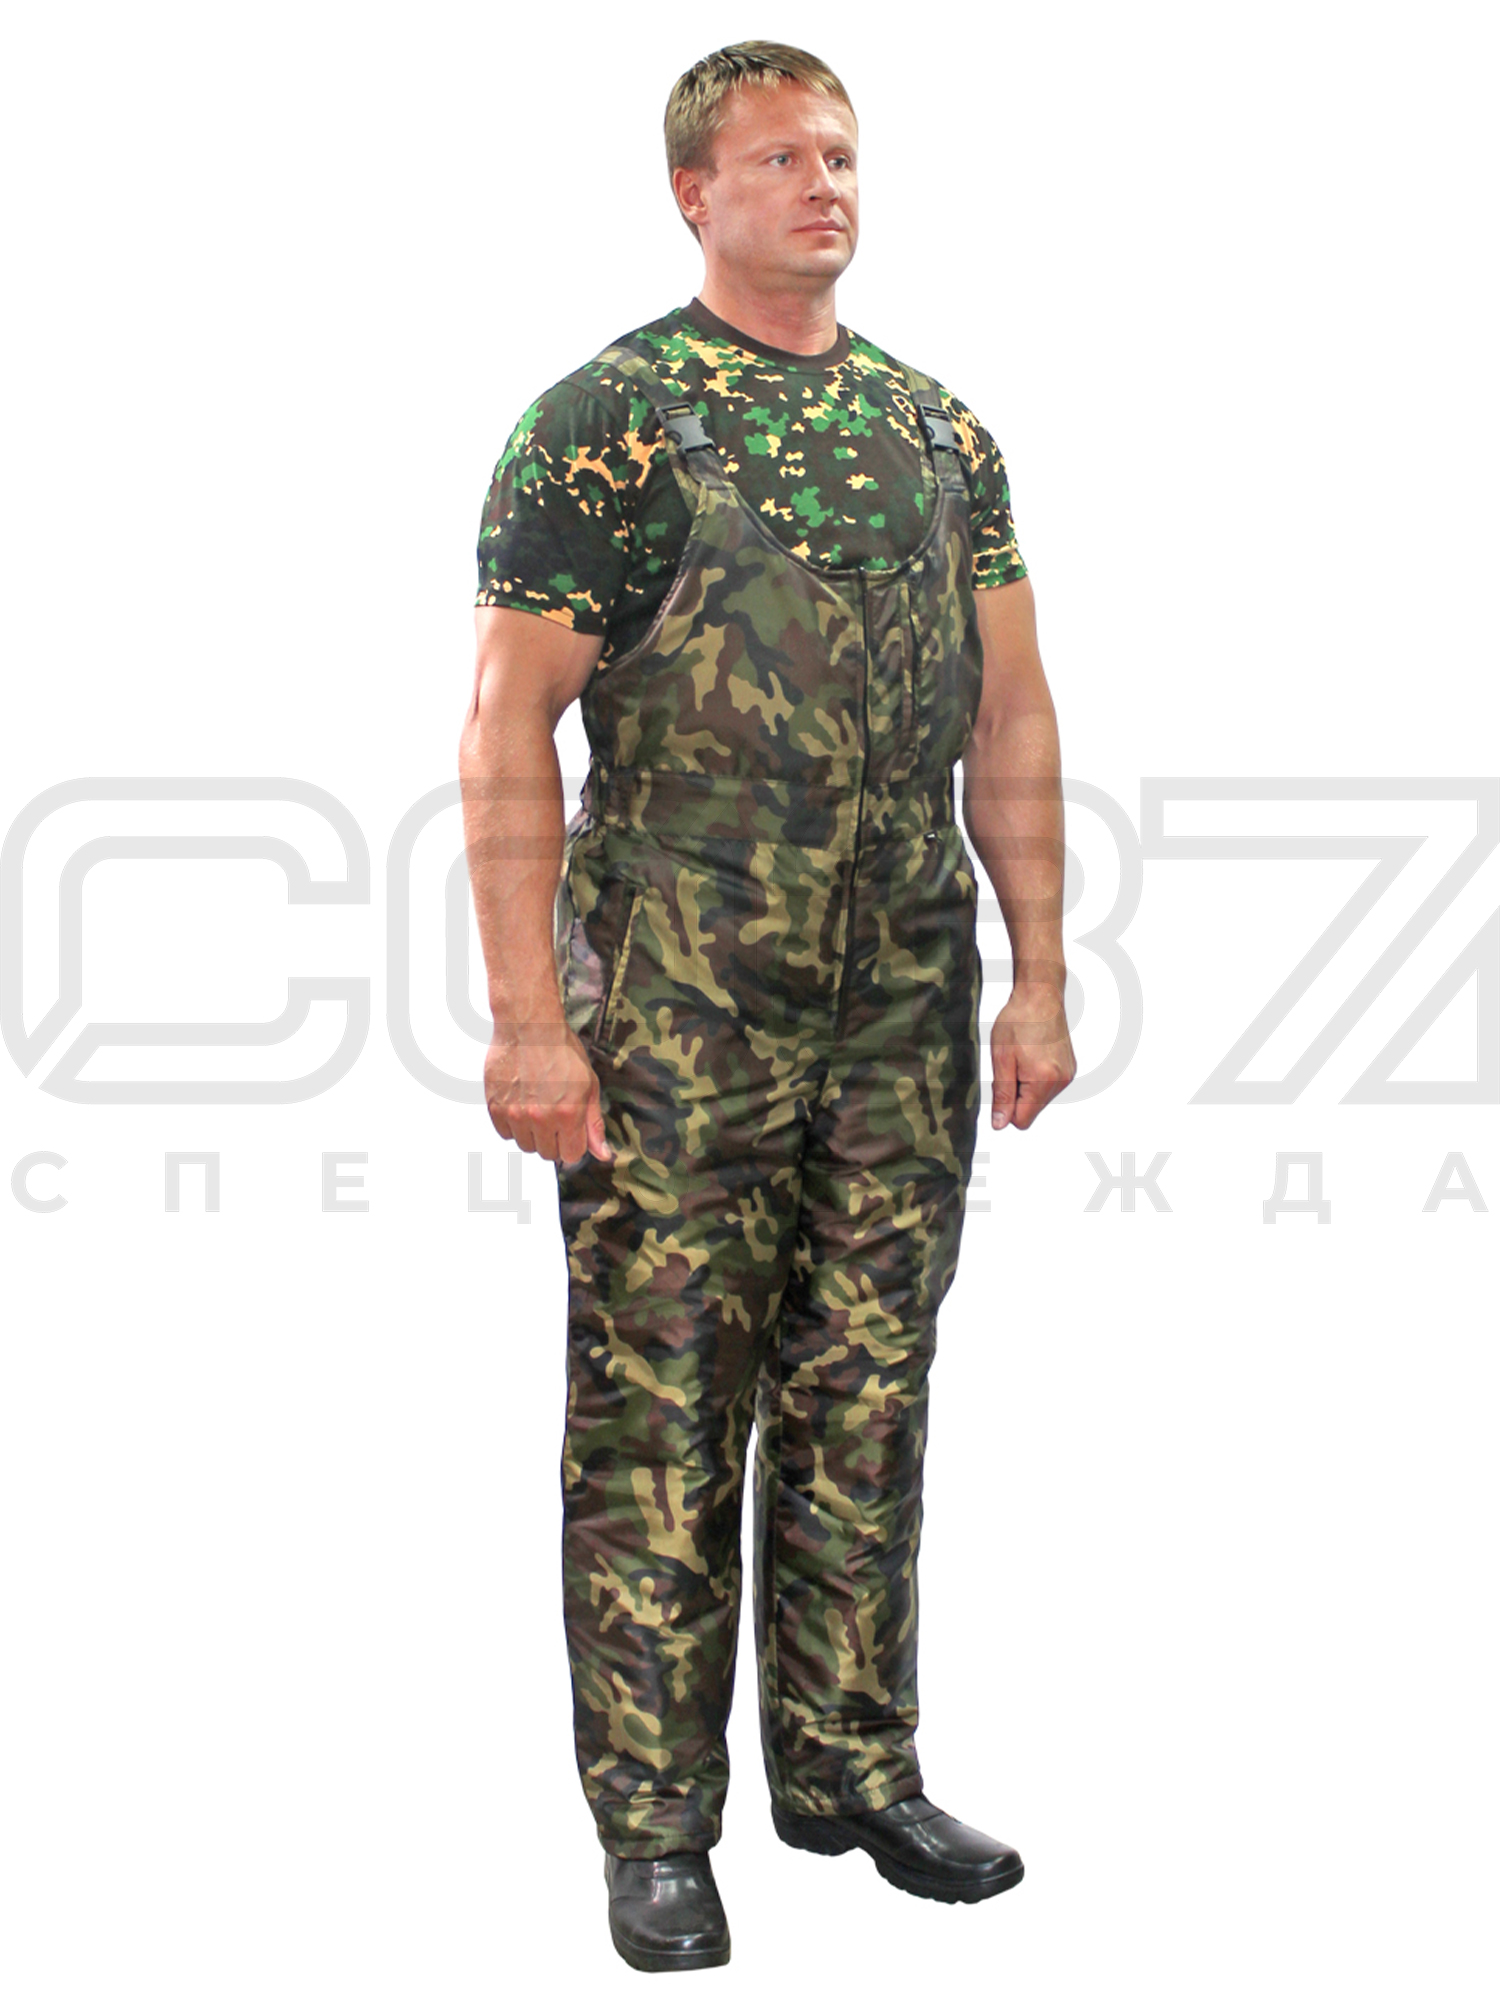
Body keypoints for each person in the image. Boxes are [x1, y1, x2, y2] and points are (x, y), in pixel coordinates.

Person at [460, 40, 1075, 1974]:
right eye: (781, 158)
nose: (824, 186)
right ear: (692, 193)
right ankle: (657, 1828)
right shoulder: (609, 425)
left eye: (842, 156)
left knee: (867, 1382)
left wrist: (1042, 975)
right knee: (661, 1403)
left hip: (899, 999)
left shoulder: (939, 433)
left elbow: (1014, 715)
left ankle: (850, 1768)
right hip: (678, 1005)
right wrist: (528, 1021)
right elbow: (504, 729)